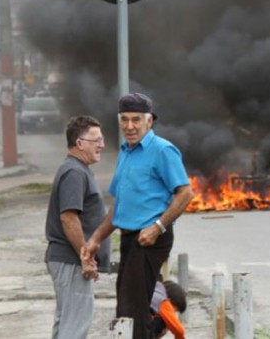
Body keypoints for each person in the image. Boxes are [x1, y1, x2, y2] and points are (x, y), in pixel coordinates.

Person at [82, 93, 194, 339]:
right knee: (127, 305)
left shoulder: (162, 150)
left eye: (136, 119)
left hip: (151, 238)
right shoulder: (126, 151)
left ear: (149, 121)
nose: (129, 126)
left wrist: (158, 227)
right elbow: (120, 205)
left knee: (133, 308)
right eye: (124, 119)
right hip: (129, 237)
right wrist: (96, 239)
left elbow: (185, 193)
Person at [45, 116, 111, 339]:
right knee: (74, 328)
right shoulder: (74, 172)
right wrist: (85, 257)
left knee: (66, 325)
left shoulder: (77, 169)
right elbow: (68, 217)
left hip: (69, 260)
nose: (102, 145)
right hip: (71, 260)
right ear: (80, 143)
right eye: (97, 140)